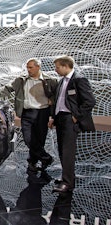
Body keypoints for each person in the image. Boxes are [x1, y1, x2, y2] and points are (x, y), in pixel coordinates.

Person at [0, 58, 58, 172]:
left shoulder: (50, 80)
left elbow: (57, 95)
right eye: (27, 67)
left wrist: (52, 102)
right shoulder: (21, 80)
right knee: (28, 139)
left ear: (38, 67)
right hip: (27, 113)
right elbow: (7, 88)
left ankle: (33, 163)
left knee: (39, 140)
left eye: (31, 67)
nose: (28, 70)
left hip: (43, 113)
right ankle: (46, 158)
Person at [48, 55, 96, 193]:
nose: (56, 70)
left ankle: (68, 183)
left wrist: (76, 117)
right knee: (62, 150)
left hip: (70, 120)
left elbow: (90, 101)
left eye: (57, 67)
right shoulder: (61, 81)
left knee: (68, 152)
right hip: (60, 119)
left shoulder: (79, 80)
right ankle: (66, 178)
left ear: (65, 66)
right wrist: (53, 117)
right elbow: (59, 102)